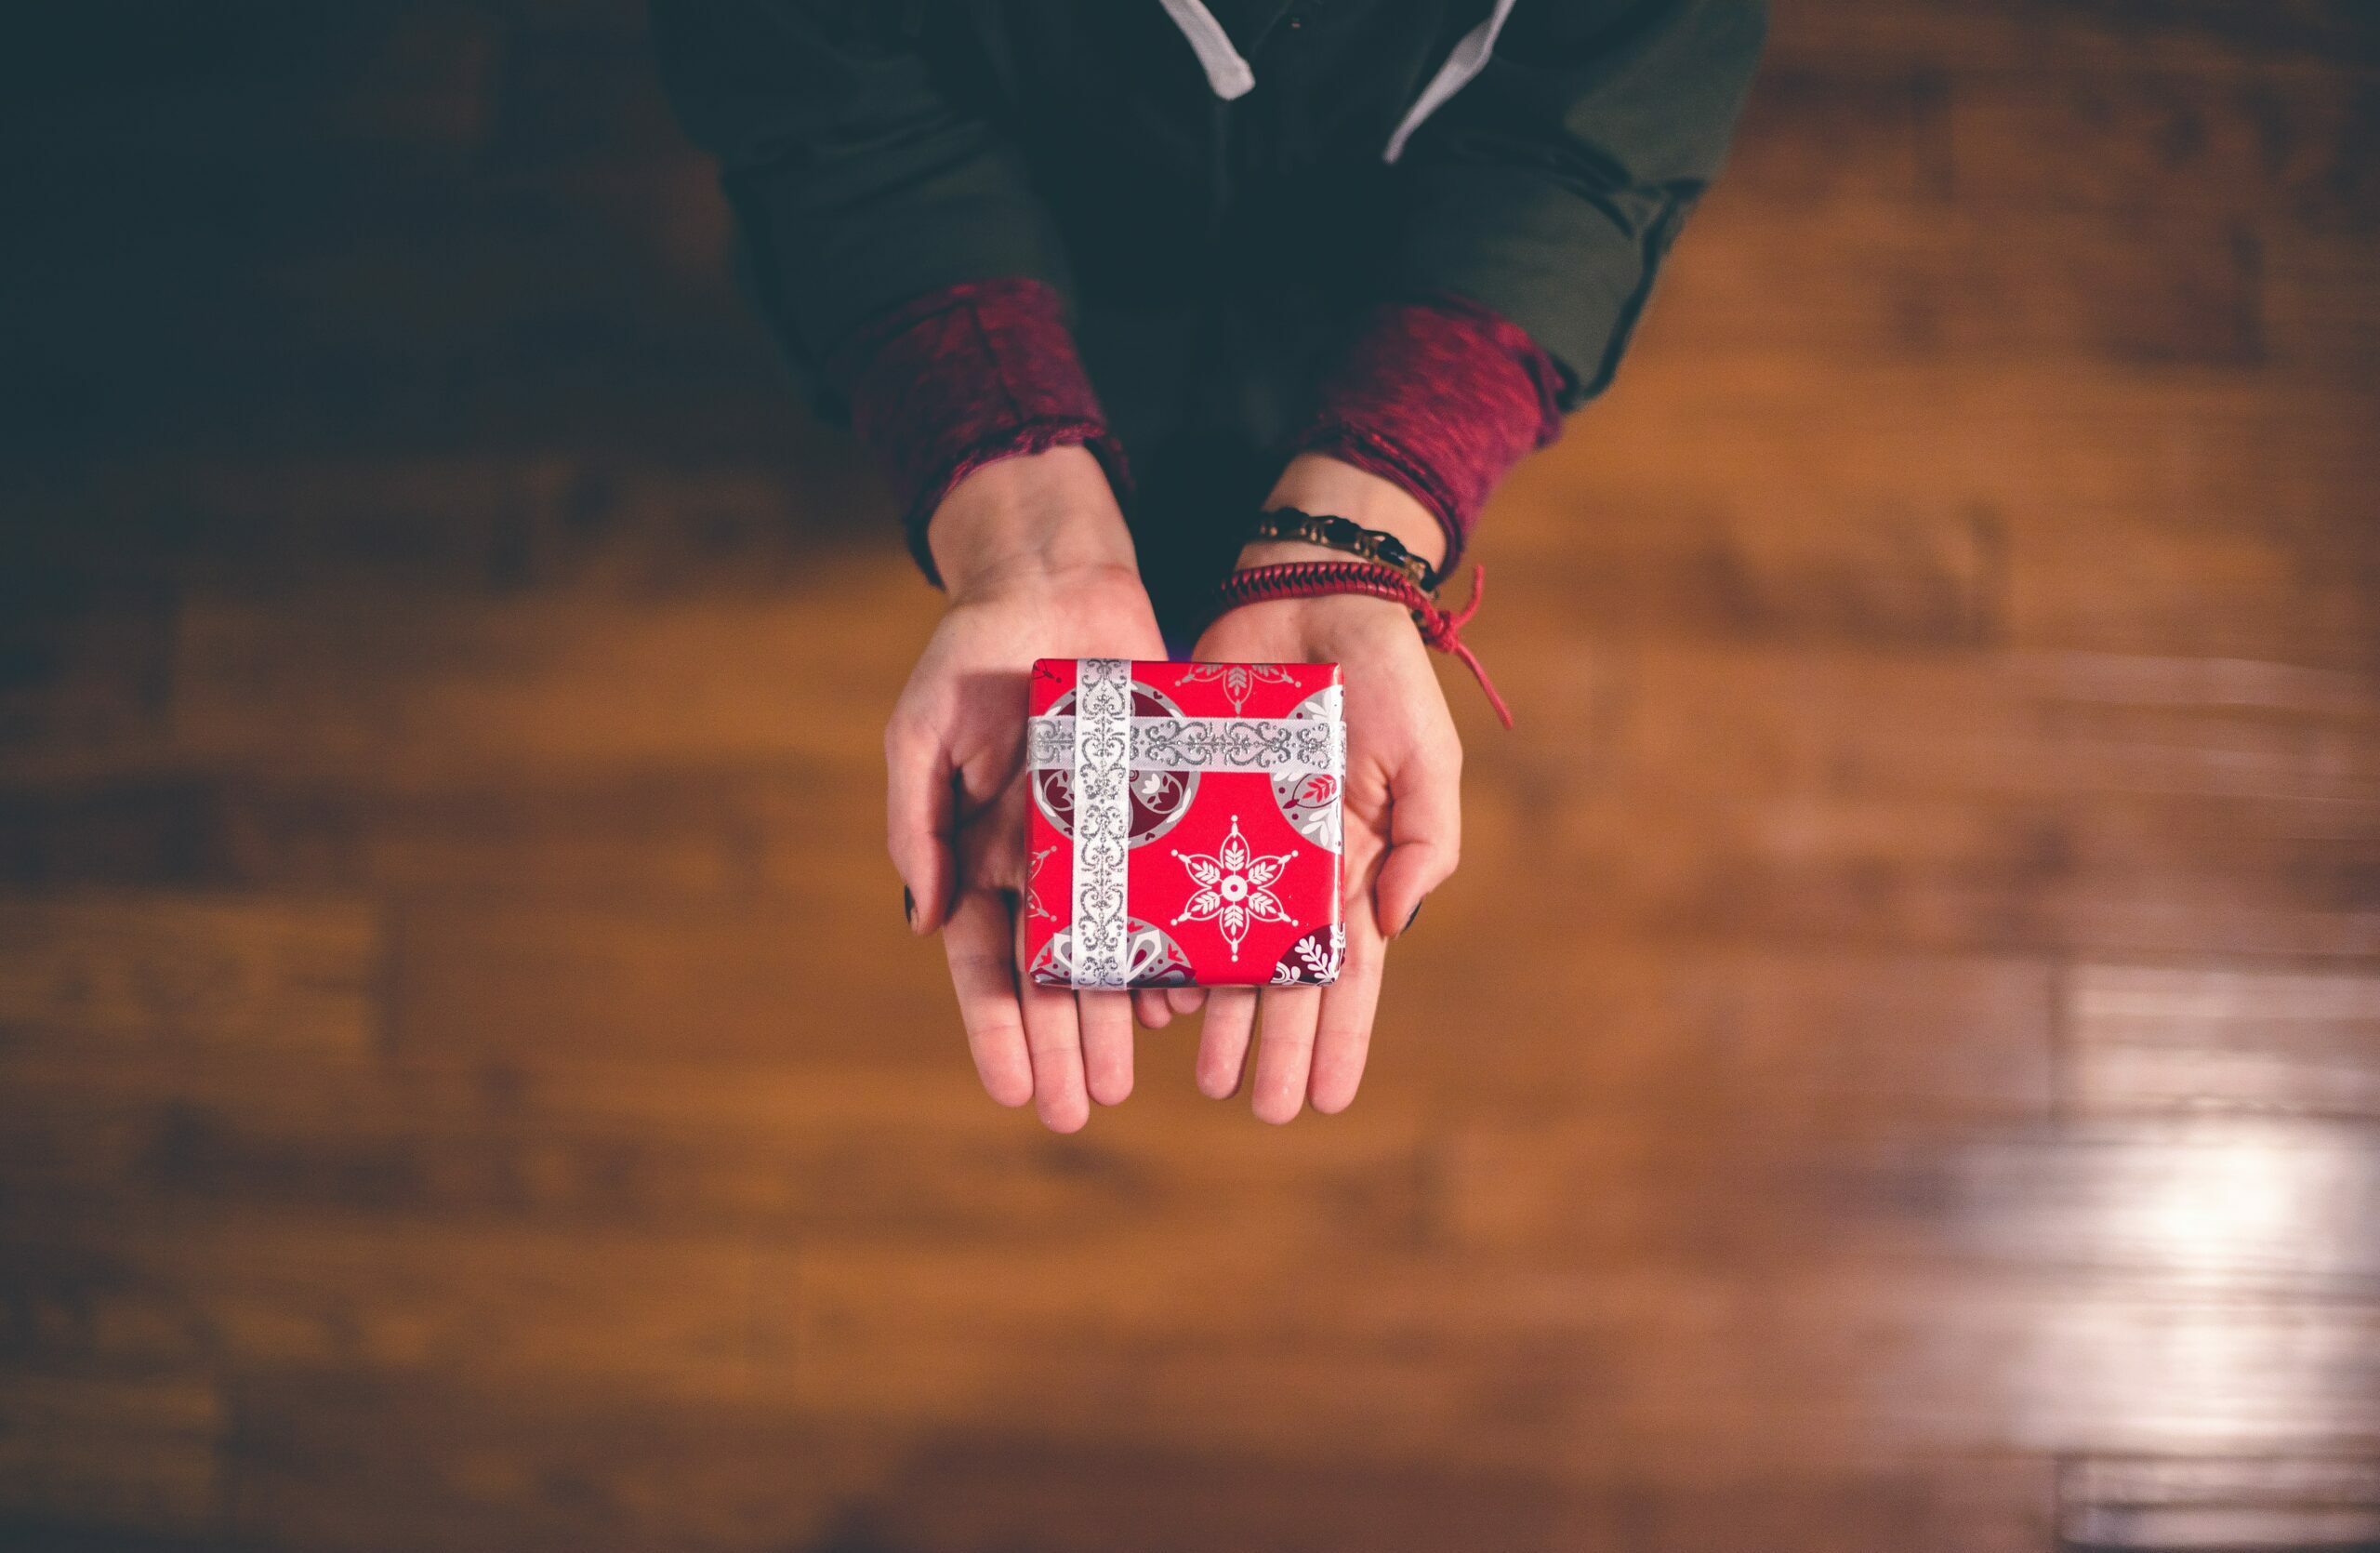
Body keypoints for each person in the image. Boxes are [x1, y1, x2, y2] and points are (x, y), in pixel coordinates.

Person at [652, 1, 1765, 1131]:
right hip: (994, 274)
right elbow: (817, 98)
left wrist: (1372, 498)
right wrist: (1013, 507)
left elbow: (1600, 135)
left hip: (1363, 311)